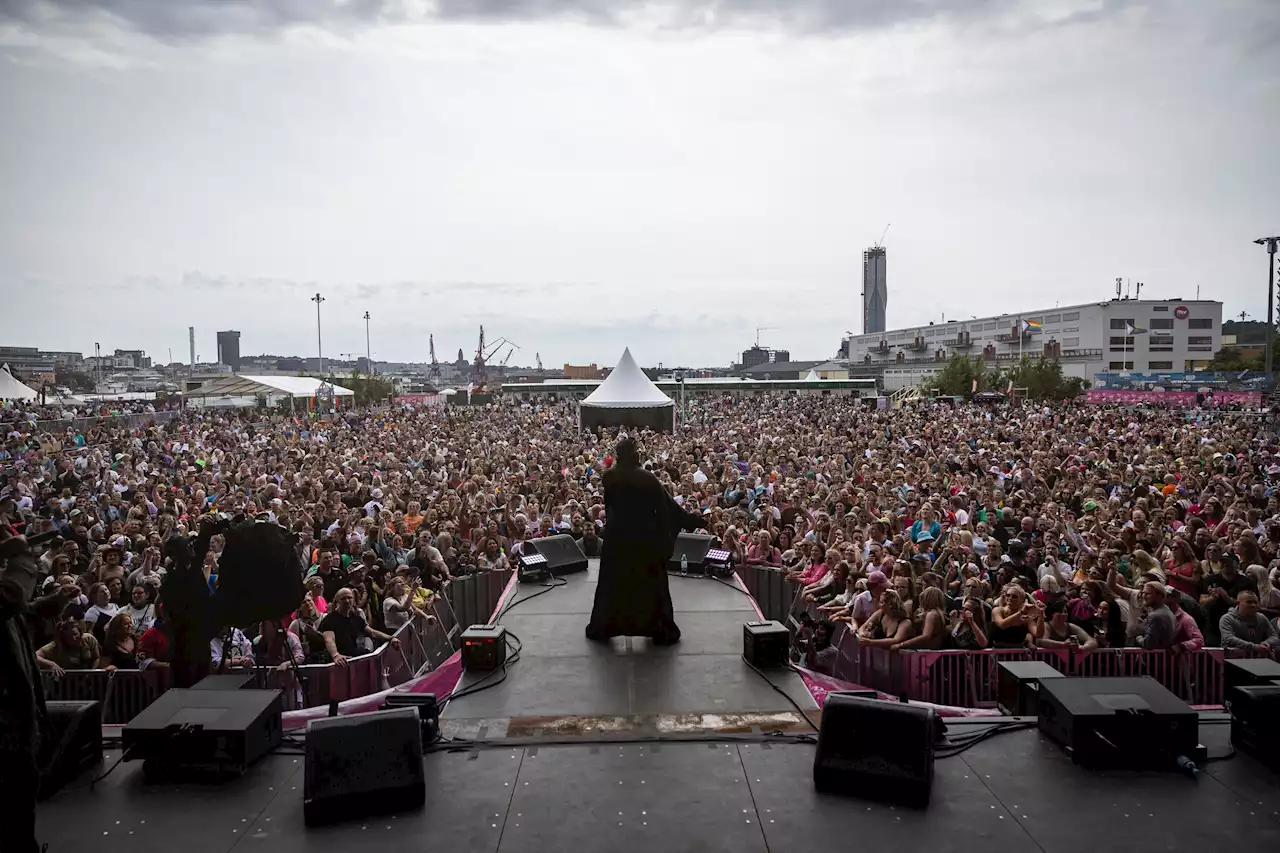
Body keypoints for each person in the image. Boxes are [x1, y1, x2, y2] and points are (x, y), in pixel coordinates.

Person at [586, 438, 705, 645]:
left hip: (617, 539)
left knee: (613, 583)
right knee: (651, 584)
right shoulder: (647, 478)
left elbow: (611, 509)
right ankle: (658, 628)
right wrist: (691, 520)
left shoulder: (609, 477)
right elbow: (667, 508)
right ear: (635, 455)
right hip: (643, 539)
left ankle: (605, 626)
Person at [0, 527, 46, 853]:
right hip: (4, 724)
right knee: (12, 791)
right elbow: (13, 596)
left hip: (17, 717)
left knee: (23, 790)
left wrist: (55, 602)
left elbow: (24, 609)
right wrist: (16, 555)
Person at [320, 587, 403, 666]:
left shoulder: (356, 617)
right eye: (343, 598)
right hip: (338, 661)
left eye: (350, 598)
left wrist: (391, 638)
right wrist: (336, 655)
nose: (347, 601)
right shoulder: (330, 619)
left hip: (353, 656)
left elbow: (372, 632)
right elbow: (329, 639)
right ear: (337, 601)